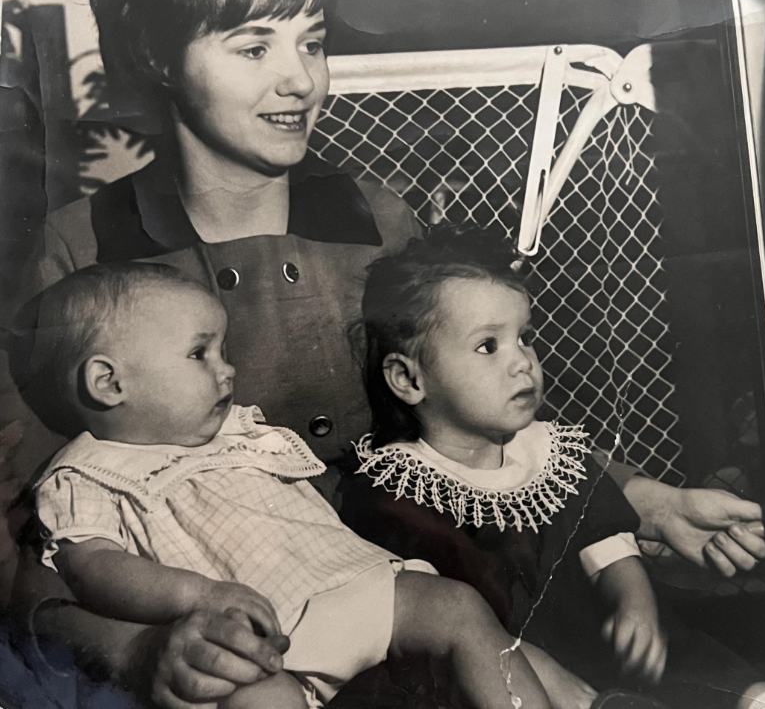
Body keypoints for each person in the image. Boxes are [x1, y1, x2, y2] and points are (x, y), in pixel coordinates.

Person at [0, 0, 765, 706]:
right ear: (157, 55)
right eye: (253, 47)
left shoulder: (376, 216)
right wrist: (141, 649)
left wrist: (641, 498)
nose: (300, 80)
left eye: (312, 41)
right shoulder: (83, 250)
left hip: (429, 597)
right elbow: (25, 540)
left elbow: (473, 404)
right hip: (241, 651)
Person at [14, 261, 574, 709]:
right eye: (199, 354)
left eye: (223, 352)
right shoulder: (87, 472)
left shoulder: (241, 431)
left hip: (348, 585)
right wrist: (198, 597)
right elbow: (93, 567)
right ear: (108, 382)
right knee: (254, 697)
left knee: (457, 607)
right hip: (257, 637)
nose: (227, 370)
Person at [339, 227, 765, 709]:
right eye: (488, 346)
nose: (523, 362)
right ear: (408, 378)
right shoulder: (393, 491)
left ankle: (760, 699)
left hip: (595, 634)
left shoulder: (550, 452)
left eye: (524, 338)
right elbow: (433, 616)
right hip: (506, 668)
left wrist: (634, 601)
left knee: (681, 653)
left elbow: (606, 542)